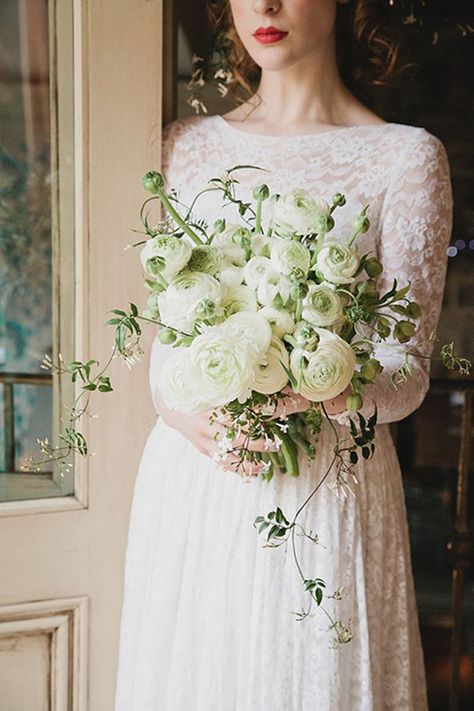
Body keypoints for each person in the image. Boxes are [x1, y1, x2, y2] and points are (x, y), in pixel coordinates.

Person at [114, 1, 452, 708]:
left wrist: (318, 388)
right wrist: (189, 419)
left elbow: (408, 372)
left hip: (327, 491)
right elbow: (164, 344)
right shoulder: (185, 146)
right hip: (197, 486)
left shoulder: (405, 156)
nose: (264, 5)